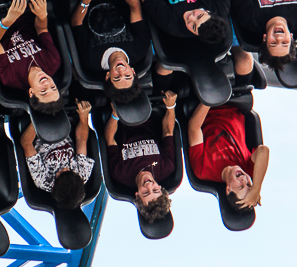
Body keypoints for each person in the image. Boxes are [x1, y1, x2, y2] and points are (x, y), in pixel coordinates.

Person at [187, 71, 269, 213]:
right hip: (235, 98)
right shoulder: (248, 169)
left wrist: (212, 96)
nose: (244, 180)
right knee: (244, 62)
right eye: (249, 184)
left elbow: (193, 128)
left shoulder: (203, 171)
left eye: (240, 186)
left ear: (228, 189)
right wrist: (256, 188)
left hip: (205, 100)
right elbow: (263, 151)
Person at [71, 0, 151, 104]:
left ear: (108, 76)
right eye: (127, 75)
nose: (121, 71)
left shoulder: (91, 60)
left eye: (117, 77)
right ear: (133, 72)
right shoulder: (139, 50)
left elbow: (76, 22)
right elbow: (135, 6)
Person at [104, 91, 177, 223]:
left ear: (137, 195)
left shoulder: (120, 174)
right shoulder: (167, 167)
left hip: (122, 117)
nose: (148, 185)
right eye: (155, 190)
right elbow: (168, 131)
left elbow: (109, 138)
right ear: (160, 188)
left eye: (145, 193)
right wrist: (171, 107)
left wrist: (115, 115)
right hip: (148, 111)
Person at [0, 0, 64, 114]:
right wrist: (42, 15)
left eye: (43, 91)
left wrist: (9, 19)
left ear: (31, 92)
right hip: (27, 14)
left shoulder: (10, 78)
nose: (47, 83)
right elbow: (42, 29)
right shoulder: (53, 62)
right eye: (53, 87)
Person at [20, 100, 94, 209]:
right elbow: (81, 139)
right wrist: (84, 117)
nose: (65, 168)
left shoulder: (43, 180)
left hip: (40, 129)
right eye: (68, 170)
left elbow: (26, 143)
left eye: (61, 173)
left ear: (54, 184)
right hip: (62, 125)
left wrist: (39, 117)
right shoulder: (82, 175)